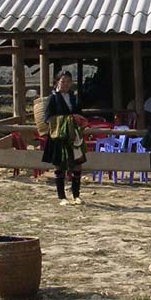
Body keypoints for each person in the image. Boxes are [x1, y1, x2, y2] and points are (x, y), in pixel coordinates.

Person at [41, 70, 86, 206]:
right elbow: (47, 119)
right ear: (57, 82)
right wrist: (69, 119)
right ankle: (62, 197)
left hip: (73, 136)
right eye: (63, 81)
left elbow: (79, 113)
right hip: (59, 137)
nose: (65, 84)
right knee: (60, 166)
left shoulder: (74, 98)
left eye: (68, 81)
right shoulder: (53, 98)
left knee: (77, 165)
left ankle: (76, 195)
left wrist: (80, 120)